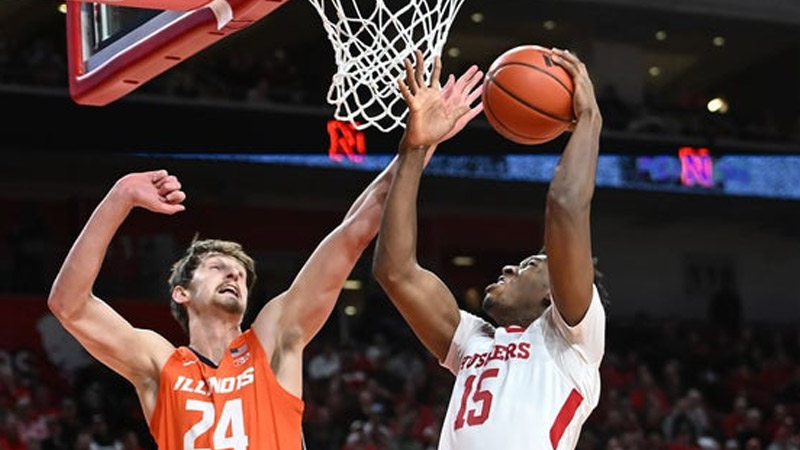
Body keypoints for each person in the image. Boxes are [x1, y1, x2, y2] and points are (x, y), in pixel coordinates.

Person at [46, 62, 483, 449]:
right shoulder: (160, 365)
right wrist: (120, 196)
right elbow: (69, 305)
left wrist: (417, 146)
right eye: (217, 267)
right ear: (181, 293)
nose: (233, 275)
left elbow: (354, 232)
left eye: (239, 273)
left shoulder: (272, 338)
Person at [373, 48, 607, 450]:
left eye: (531, 264)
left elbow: (565, 205)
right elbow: (395, 271)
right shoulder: (474, 341)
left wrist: (589, 119)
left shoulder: (572, 344)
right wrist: (413, 149)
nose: (510, 268)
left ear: (553, 295)